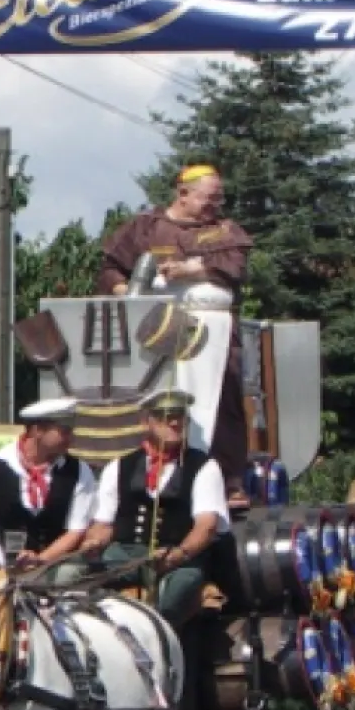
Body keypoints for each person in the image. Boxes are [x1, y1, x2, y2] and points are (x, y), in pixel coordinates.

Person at [97, 163, 254, 483]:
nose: (214, 205)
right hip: (161, 325)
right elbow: (110, 269)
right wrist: (126, 291)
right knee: (160, 395)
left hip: (213, 328)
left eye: (218, 198)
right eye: (208, 198)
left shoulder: (225, 230)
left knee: (222, 399)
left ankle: (223, 476)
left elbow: (234, 267)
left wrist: (190, 270)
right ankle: (162, 470)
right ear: (183, 194)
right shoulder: (146, 227)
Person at [80, 386, 229, 626]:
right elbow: (103, 523)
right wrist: (93, 542)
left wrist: (178, 554)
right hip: (126, 556)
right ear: (146, 422)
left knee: (172, 597)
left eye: (179, 416)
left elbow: (207, 526)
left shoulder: (204, 466)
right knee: (75, 577)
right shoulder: (119, 466)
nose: (173, 423)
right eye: (164, 417)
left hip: (180, 559)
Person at [0, 396, 96, 576]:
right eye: (64, 431)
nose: (71, 438)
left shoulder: (79, 471)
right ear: (38, 431)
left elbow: (75, 531)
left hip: (52, 569)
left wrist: (39, 561)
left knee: (69, 575)